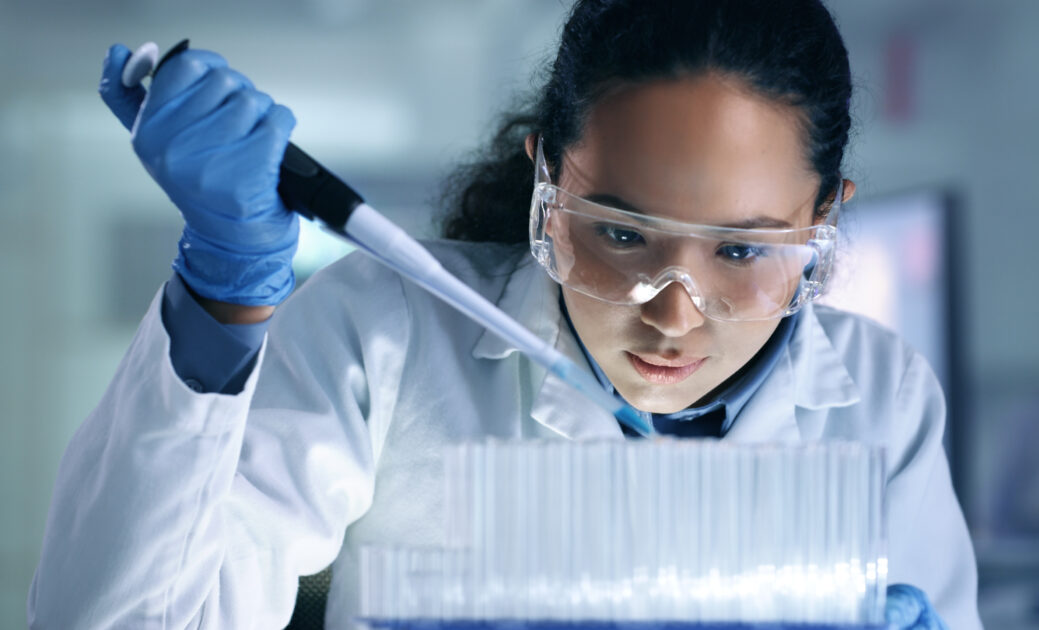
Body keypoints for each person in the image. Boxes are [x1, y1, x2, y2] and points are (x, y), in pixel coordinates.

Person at [29, 1, 980, 628]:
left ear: (824, 222)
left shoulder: (881, 398)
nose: (674, 319)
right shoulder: (388, 333)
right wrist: (221, 299)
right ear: (548, 179)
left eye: (740, 252)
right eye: (619, 236)